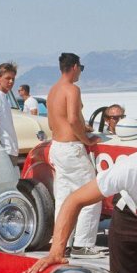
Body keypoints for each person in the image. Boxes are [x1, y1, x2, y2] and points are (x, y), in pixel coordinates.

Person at [46, 52, 102, 258]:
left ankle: (62, 243)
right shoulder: (72, 89)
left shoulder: (52, 91)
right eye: (81, 69)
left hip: (57, 147)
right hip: (71, 148)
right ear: (75, 67)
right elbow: (71, 119)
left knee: (64, 197)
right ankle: (83, 243)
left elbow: (54, 123)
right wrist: (86, 139)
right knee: (92, 194)